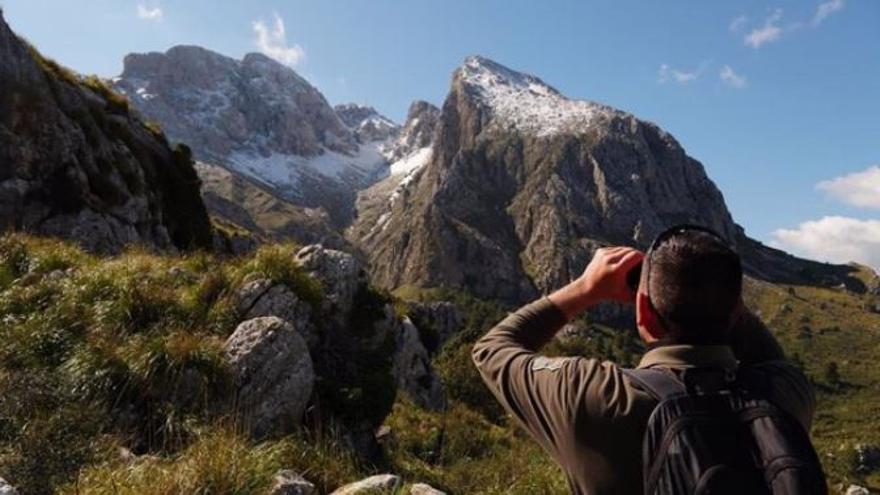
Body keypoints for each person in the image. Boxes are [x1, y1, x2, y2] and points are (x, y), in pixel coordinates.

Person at [472, 225, 818, 495]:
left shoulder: (594, 397)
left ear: (643, 313)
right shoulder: (786, 393)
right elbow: (760, 348)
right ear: (737, 311)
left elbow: (493, 348)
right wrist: (710, 285)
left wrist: (586, 288)